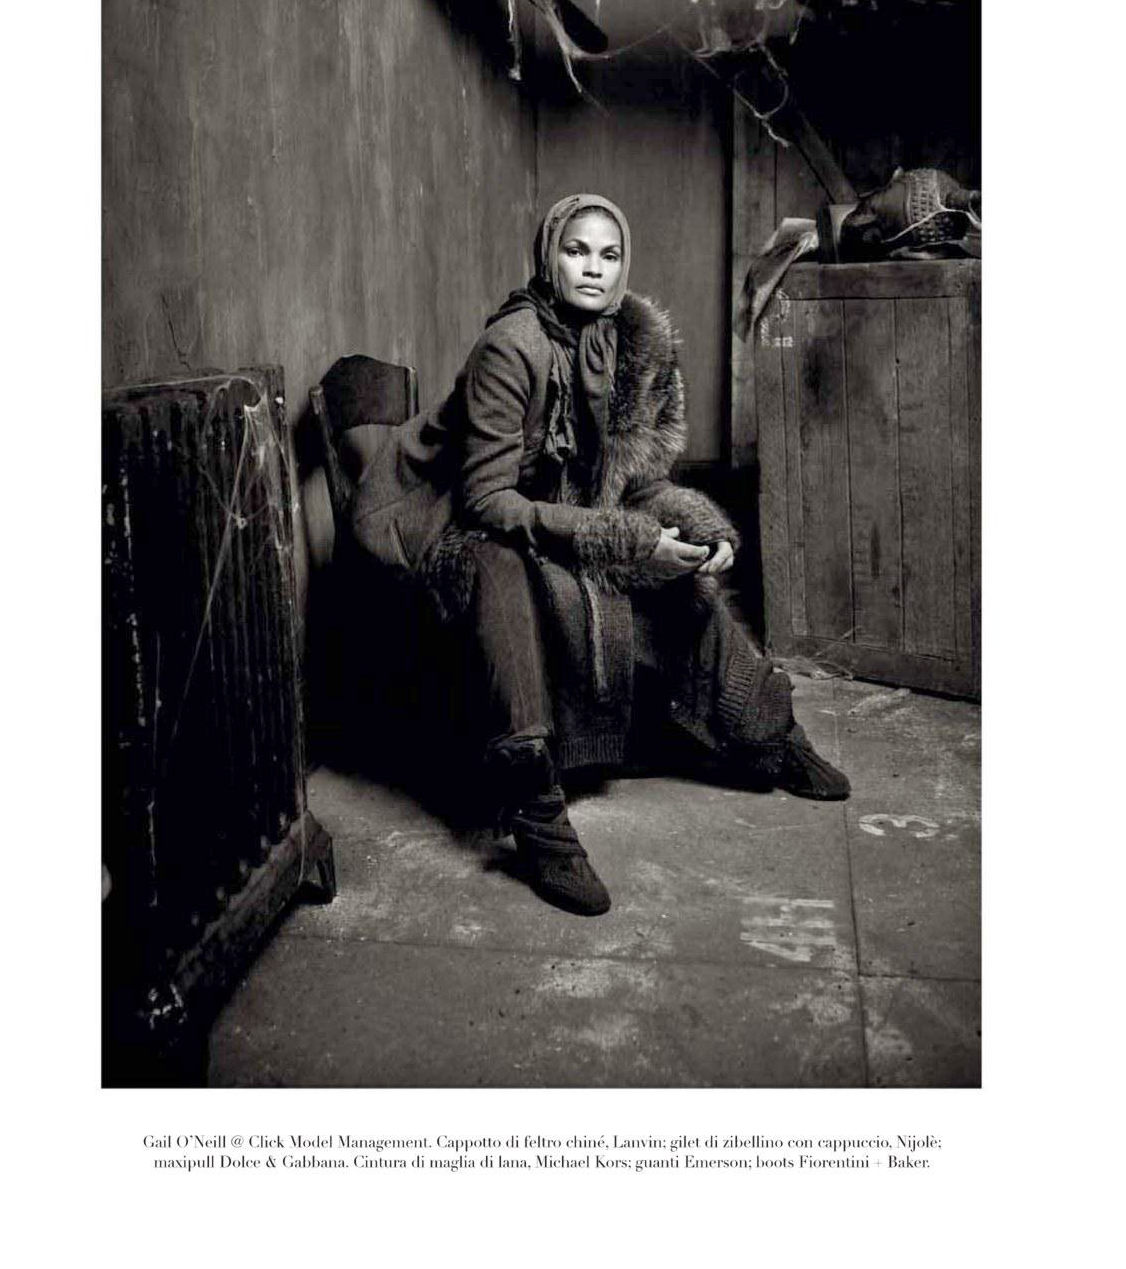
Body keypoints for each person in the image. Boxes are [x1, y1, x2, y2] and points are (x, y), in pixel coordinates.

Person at [349, 192, 850, 917]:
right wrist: (619, 538)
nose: (593, 268)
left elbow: (638, 483)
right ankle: (535, 808)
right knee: (498, 569)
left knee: (676, 577)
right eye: (576, 250)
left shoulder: (634, 346)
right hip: (450, 520)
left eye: (608, 255)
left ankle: (769, 729)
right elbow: (486, 500)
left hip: (555, 513)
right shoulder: (511, 346)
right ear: (549, 256)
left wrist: (695, 531)